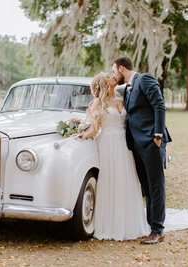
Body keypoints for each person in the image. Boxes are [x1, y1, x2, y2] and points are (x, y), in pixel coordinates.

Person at [78, 72, 150, 241]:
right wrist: (82, 135)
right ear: (104, 83)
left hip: (125, 145)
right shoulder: (98, 103)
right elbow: (95, 129)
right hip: (108, 144)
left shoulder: (123, 99)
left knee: (127, 179)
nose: (113, 76)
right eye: (108, 76)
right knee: (111, 179)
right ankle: (111, 223)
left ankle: (129, 222)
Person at [111, 56, 171, 244]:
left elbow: (159, 105)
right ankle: (151, 226)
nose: (113, 75)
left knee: (155, 186)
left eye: (113, 71)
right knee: (147, 188)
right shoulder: (128, 89)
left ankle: (157, 230)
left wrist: (158, 136)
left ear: (121, 68)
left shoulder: (144, 79)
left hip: (151, 142)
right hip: (137, 144)